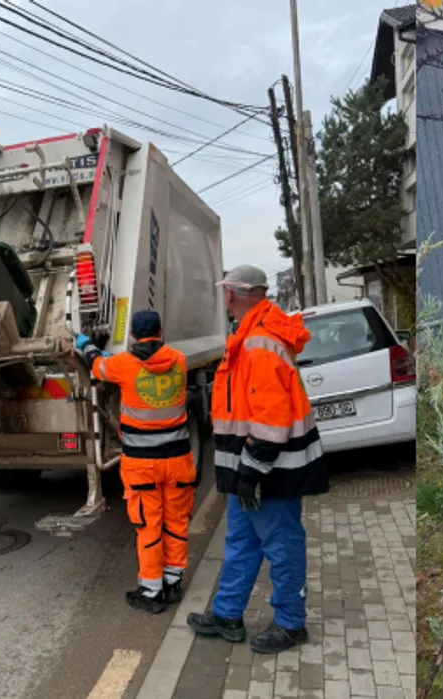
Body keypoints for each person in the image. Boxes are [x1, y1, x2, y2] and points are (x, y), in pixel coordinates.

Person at [187, 264, 329, 655]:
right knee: (241, 541)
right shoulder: (253, 335)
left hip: (268, 470)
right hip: (252, 468)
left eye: (224, 293)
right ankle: (228, 614)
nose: (223, 300)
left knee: (281, 546)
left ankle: (290, 623)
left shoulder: (259, 342)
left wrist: (252, 469)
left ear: (231, 294)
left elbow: (271, 416)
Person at [76, 310, 196, 614]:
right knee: (176, 522)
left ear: (131, 335)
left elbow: (97, 365)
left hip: (143, 465)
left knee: (149, 526)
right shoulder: (178, 361)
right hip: (179, 460)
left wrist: (85, 344)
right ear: (161, 332)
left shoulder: (122, 366)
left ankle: (151, 591)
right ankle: (172, 581)